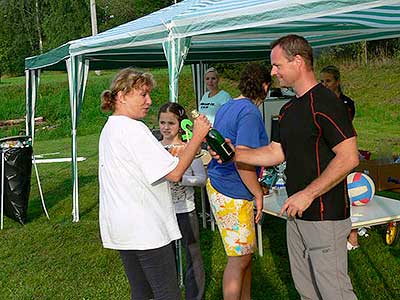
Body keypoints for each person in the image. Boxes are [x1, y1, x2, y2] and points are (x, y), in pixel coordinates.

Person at [213, 35, 359, 300]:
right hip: (296, 214)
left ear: (298, 61)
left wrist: (308, 193)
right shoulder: (289, 108)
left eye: (277, 65)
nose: (272, 72)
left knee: (335, 293)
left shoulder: (326, 102)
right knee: (307, 292)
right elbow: (275, 151)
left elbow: (349, 157)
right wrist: (234, 155)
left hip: (325, 215)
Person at [98, 68, 211, 300]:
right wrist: (198, 136)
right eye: (143, 94)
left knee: (141, 291)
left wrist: (180, 153)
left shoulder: (111, 127)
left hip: (122, 225)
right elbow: (176, 173)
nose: (149, 101)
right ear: (121, 96)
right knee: (167, 293)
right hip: (145, 228)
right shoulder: (134, 129)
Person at [206, 63, 271, 300]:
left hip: (219, 183)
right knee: (239, 258)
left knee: (245, 254)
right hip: (232, 188)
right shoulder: (250, 113)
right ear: (264, 87)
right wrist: (258, 193)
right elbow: (242, 159)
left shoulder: (227, 106)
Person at [158, 102, 206, 300]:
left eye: (171, 122)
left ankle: (195, 295)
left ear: (181, 124)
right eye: (162, 122)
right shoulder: (154, 148)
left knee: (192, 254)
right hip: (161, 210)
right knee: (164, 257)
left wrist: (179, 177)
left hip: (185, 208)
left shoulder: (189, 147)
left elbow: (201, 179)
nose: (166, 127)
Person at [320, 65, 359, 251]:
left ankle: (353, 235)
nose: (324, 84)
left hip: (343, 151)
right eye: (322, 81)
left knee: (348, 192)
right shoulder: (319, 101)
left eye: (328, 81)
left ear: (337, 81)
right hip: (325, 152)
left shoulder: (346, 103)